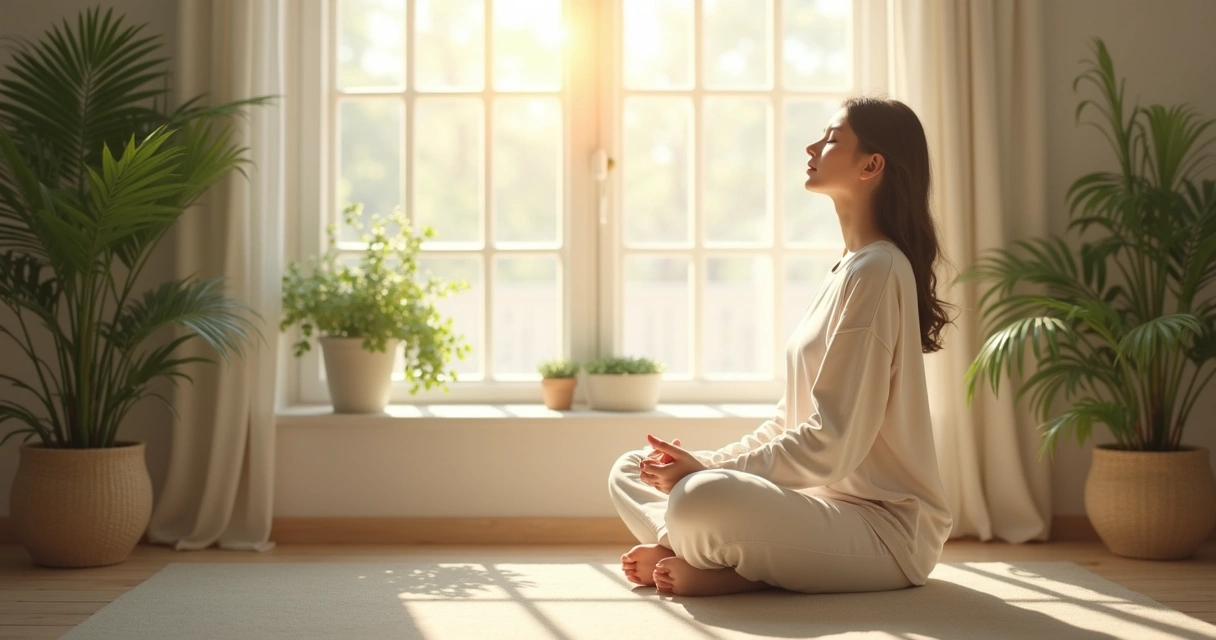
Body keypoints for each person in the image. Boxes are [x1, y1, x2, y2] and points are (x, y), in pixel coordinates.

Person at [607, 96, 954, 597]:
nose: (812, 147)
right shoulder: (848, 268)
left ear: (871, 165)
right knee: (631, 468)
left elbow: (832, 442)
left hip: (883, 531)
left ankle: (721, 563)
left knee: (699, 497)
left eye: (832, 139)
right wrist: (700, 460)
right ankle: (703, 551)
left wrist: (708, 471)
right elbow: (788, 424)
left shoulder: (879, 270)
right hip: (813, 505)